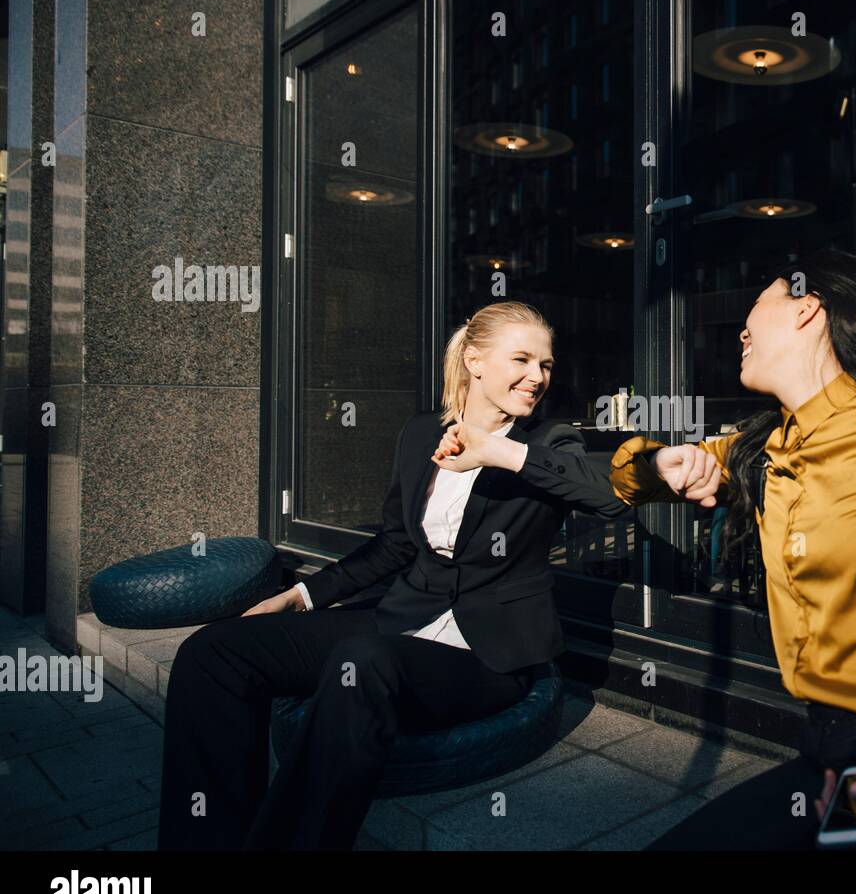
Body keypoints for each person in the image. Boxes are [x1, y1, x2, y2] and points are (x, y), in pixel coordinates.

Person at [542, 248, 856, 849]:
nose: (741, 328)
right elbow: (628, 482)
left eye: (757, 305)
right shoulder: (767, 447)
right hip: (833, 754)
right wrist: (659, 458)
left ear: (809, 309)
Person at [156, 301, 629, 850]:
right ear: (474, 361)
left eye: (545, 365)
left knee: (362, 661)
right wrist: (304, 595)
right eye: (521, 359)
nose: (537, 377)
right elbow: (394, 545)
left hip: (488, 654)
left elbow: (612, 498)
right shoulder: (420, 433)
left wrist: (498, 451)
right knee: (213, 653)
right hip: (403, 620)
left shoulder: (548, 442)